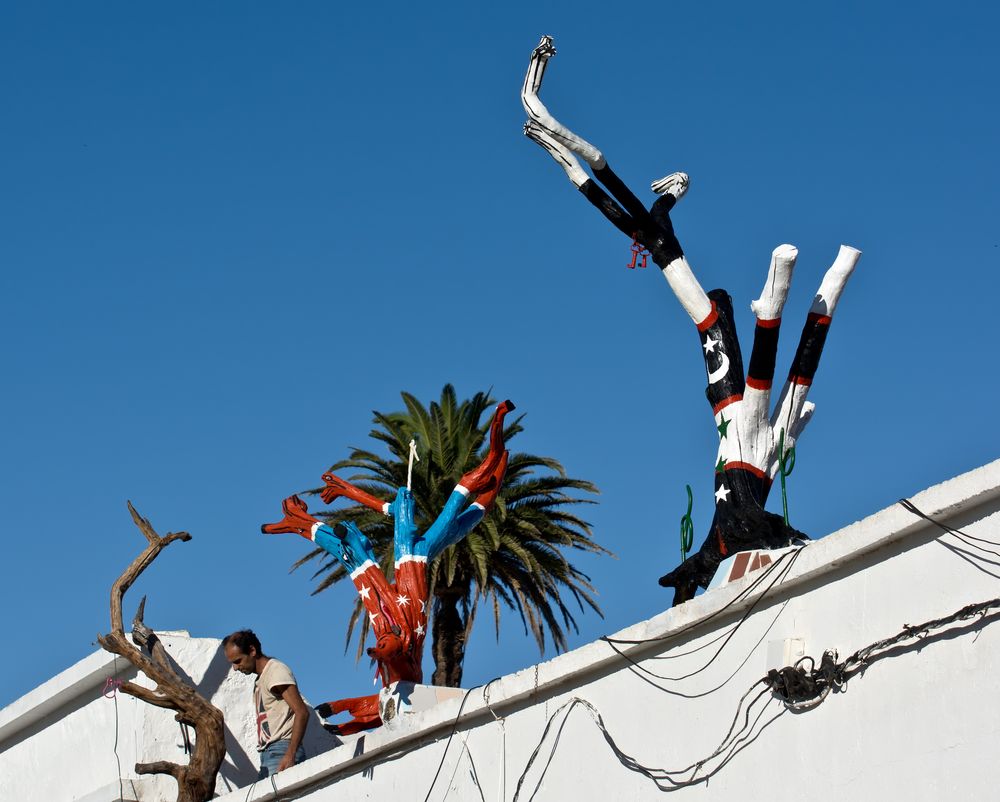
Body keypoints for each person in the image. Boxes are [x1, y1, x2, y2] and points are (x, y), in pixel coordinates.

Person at [222, 630, 308, 778]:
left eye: (238, 661)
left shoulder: (275, 671)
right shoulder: (260, 679)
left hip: (281, 750)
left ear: (252, 650)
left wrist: (290, 754)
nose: (235, 668)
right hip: (268, 754)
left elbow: (302, 712)